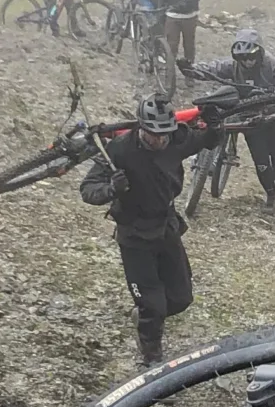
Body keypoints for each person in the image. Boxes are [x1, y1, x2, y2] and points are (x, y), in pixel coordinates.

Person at [80, 95, 213, 365]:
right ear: (142, 128)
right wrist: (111, 189)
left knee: (181, 297)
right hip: (134, 236)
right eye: (154, 135)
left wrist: (216, 125)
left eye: (164, 134)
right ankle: (151, 357)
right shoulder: (119, 149)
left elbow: (206, 139)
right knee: (153, 304)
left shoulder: (175, 139)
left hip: (166, 228)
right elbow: (88, 189)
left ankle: (146, 316)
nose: (160, 140)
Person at [195, 27, 275, 206]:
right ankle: (271, 196)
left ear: (260, 54)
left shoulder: (274, 66)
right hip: (250, 118)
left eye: (251, 57)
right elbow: (213, 68)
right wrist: (193, 69)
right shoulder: (233, 66)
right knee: (261, 161)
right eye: (242, 58)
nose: (247, 62)